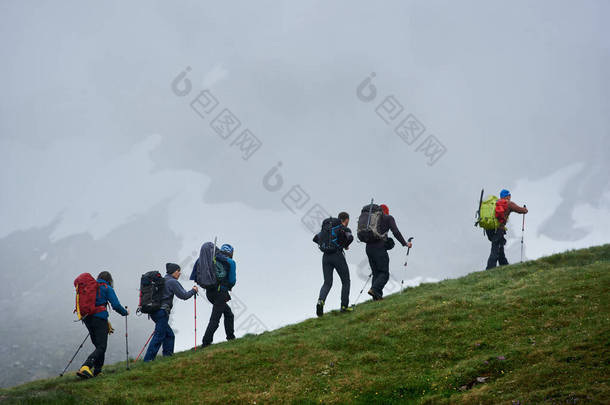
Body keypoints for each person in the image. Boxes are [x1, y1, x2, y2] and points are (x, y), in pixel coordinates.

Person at [77, 271, 128, 379]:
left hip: (87, 319)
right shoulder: (106, 288)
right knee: (101, 346)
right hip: (99, 318)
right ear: (109, 280)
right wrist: (125, 312)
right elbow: (116, 305)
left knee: (99, 346)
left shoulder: (91, 287)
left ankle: (98, 371)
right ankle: (86, 367)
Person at [143, 263, 198, 361]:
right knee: (159, 336)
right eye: (178, 271)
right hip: (162, 312)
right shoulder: (172, 282)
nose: (180, 273)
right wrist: (193, 291)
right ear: (173, 271)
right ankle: (148, 360)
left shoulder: (162, 280)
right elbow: (184, 295)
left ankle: (167, 358)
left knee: (169, 335)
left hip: (154, 312)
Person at [365, 204, 413, 301]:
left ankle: (376, 298)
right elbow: (396, 232)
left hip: (368, 248)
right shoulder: (388, 218)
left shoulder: (371, 219)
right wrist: (405, 243)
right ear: (386, 211)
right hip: (379, 248)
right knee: (384, 273)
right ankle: (374, 289)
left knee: (376, 273)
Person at [313, 212, 354, 316]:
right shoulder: (343, 228)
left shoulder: (327, 228)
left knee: (327, 283)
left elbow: (315, 238)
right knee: (346, 281)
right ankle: (344, 306)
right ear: (346, 220)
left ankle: (320, 301)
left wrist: (326, 245)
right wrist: (344, 245)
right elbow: (350, 238)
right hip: (337, 256)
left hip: (325, 257)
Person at [201, 244, 236, 348]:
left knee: (229, 314)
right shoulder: (230, 262)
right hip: (221, 293)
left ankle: (231, 337)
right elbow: (232, 280)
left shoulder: (211, 259)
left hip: (209, 292)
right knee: (215, 319)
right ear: (230, 252)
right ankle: (206, 342)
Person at [486, 189, 528, 270]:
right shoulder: (508, 204)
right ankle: (490, 269)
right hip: (498, 229)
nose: (510, 197)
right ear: (508, 196)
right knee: (495, 249)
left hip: (490, 229)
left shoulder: (495, 202)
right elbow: (521, 210)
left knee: (499, 247)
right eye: (510, 195)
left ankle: (504, 265)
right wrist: (525, 209)